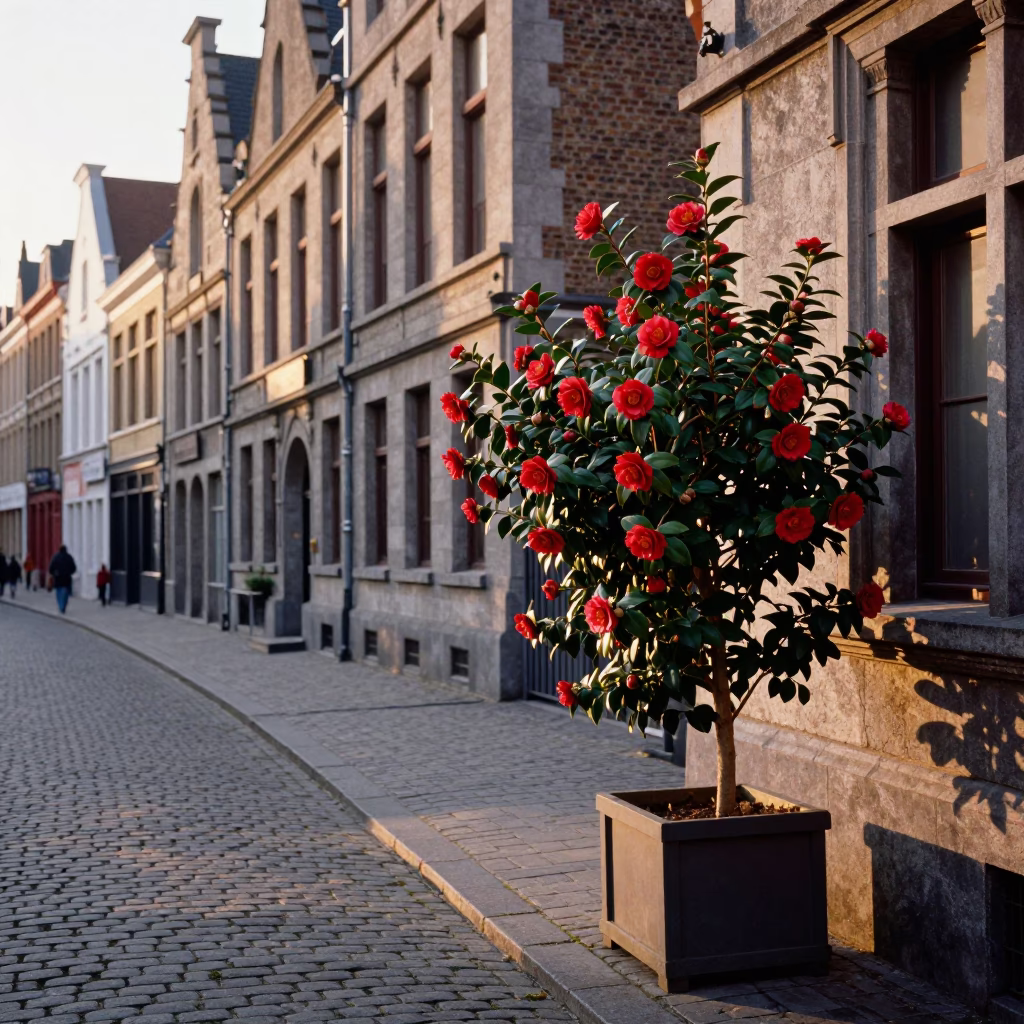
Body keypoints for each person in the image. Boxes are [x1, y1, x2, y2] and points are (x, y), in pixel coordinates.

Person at [48, 545, 77, 615]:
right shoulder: (69, 557)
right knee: (65, 593)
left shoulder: (56, 557)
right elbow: (74, 568)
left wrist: (54, 573)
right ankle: (63, 606)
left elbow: (51, 568)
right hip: (67, 578)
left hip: (58, 578)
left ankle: (60, 606)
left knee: (59, 593)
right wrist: (69, 572)